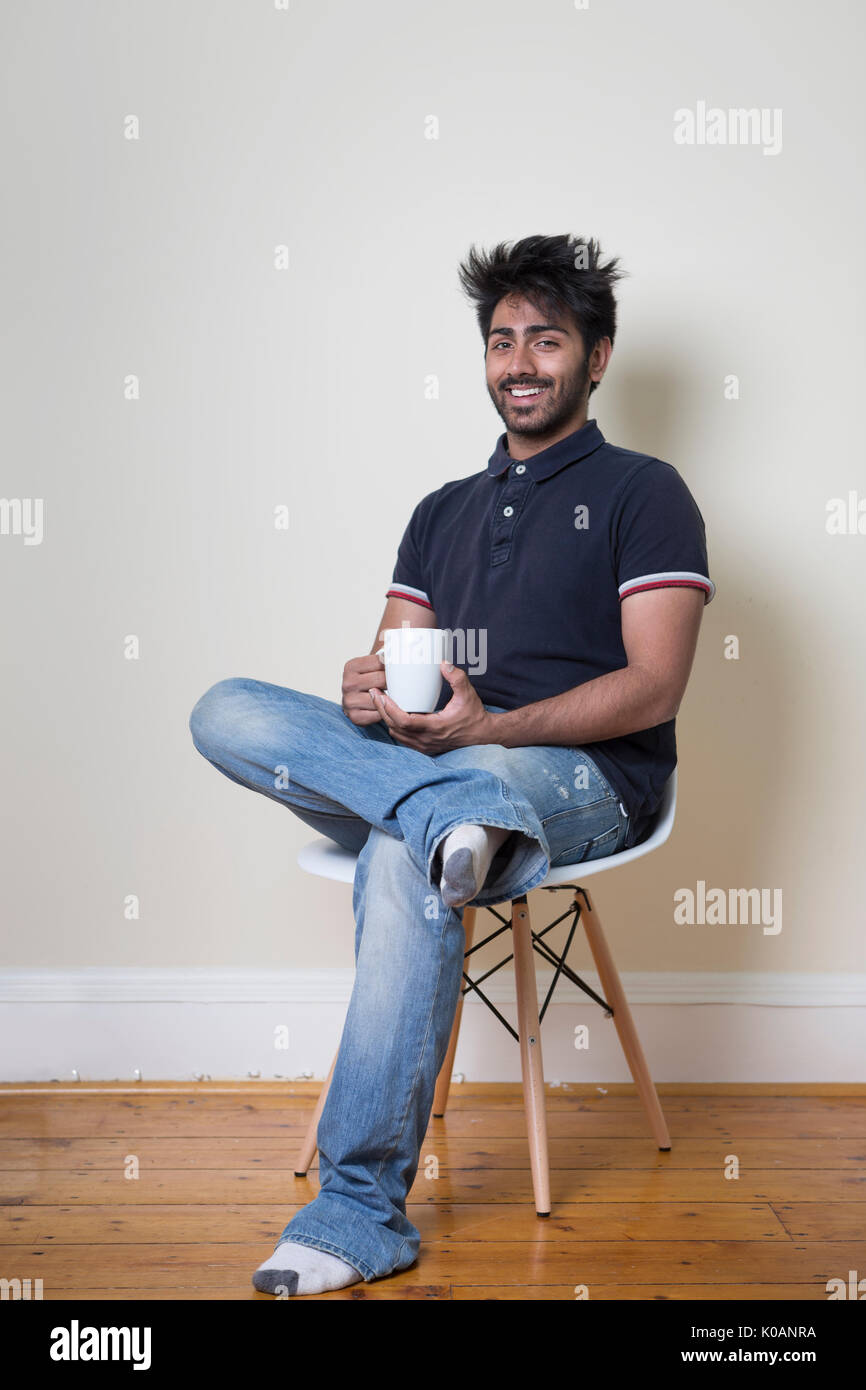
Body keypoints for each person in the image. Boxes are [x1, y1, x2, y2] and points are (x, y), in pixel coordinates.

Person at [188, 233, 714, 1296]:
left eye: (545, 339)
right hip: (441, 767)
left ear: (595, 357)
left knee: (404, 851)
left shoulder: (643, 491)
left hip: (582, 778)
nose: (518, 361)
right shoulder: (440, 509)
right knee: (225, 709)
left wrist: (490, 735)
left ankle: (356, 1214)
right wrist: (367, 695)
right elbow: (392, 655)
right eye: (500, 340)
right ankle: (443, 815)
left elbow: (654, 688)